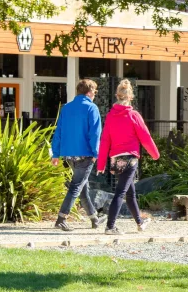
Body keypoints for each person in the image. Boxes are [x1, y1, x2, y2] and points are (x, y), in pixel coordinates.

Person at [97, 79, 160, 235]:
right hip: (130, 158)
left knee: (130, 192)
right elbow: (145, 136)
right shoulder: (134, 115)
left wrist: (100, 164)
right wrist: (155, 154)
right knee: (121, 192)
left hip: (115, 159)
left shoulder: (111, 116)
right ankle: (110, 227)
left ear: (117, 96)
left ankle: (139, 222)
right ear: (130, 97)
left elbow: (105, 140)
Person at [51, 79, 106, 232]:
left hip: (69, 155)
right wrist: (96, 154)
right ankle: (61, 218)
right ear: (89, 92)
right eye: (94, 92)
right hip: (85, 154)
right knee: (76, 186)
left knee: (82, 187)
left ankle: (94, 219)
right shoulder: (92, 108)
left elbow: (59, 131)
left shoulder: (67, 108)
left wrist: (55, 153)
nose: (95, 95)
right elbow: (95, 134)